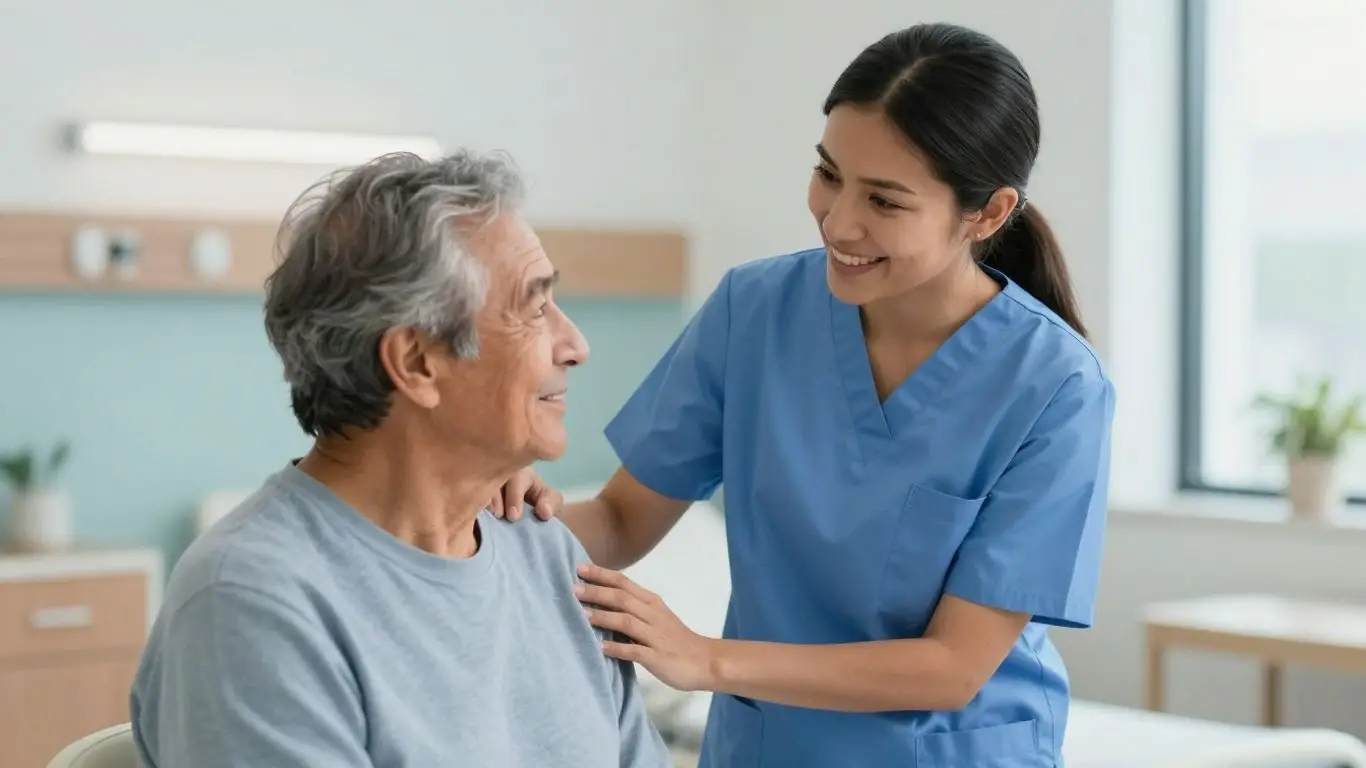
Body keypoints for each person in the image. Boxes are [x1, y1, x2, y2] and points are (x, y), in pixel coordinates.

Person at [495, 22, 1115, 767]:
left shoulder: (1056, 386)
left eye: (884, 201)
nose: (838, 220)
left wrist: (705, 658)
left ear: (985, 213)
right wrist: (504, 509)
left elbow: (952, 667)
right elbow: (624, 519)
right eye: (829, 174)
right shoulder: (753, 311)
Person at [129, 151, 671, 767]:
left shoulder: (547, 556)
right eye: (533, 308)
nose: (575, 345)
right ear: (416, 363)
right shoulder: (251, 603)